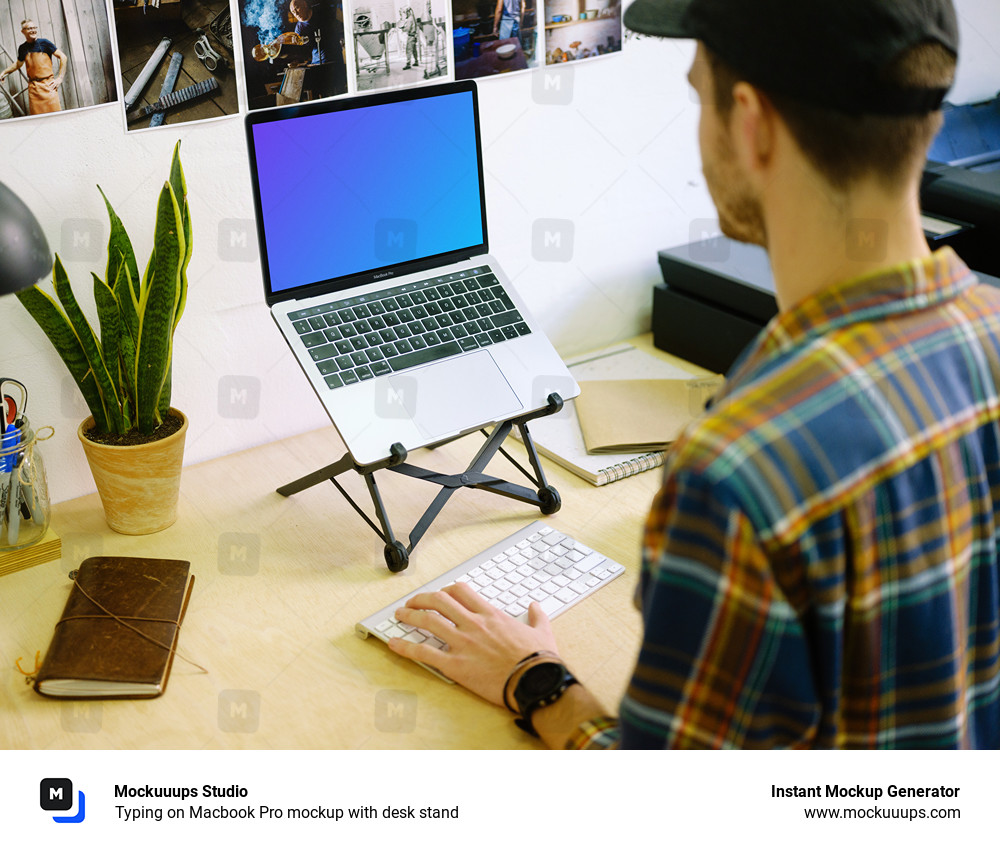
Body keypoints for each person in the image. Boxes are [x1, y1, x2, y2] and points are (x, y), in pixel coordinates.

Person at [387, 0, 1000, 749]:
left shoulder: (738, 472)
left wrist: (538, 680)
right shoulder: (987, 334)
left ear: (752, 125)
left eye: (698, 96)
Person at [0, 19, 67, 114]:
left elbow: (63, 57)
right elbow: (18, 64)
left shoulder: (45, 43)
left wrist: (59, 78)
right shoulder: (22, 48)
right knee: (37, 119)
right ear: (23, 31)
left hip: (48, 86)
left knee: (55, 117)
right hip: (34, 89)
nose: (33, 30)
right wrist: (4, 72)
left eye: (34, 27)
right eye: (29, 28)